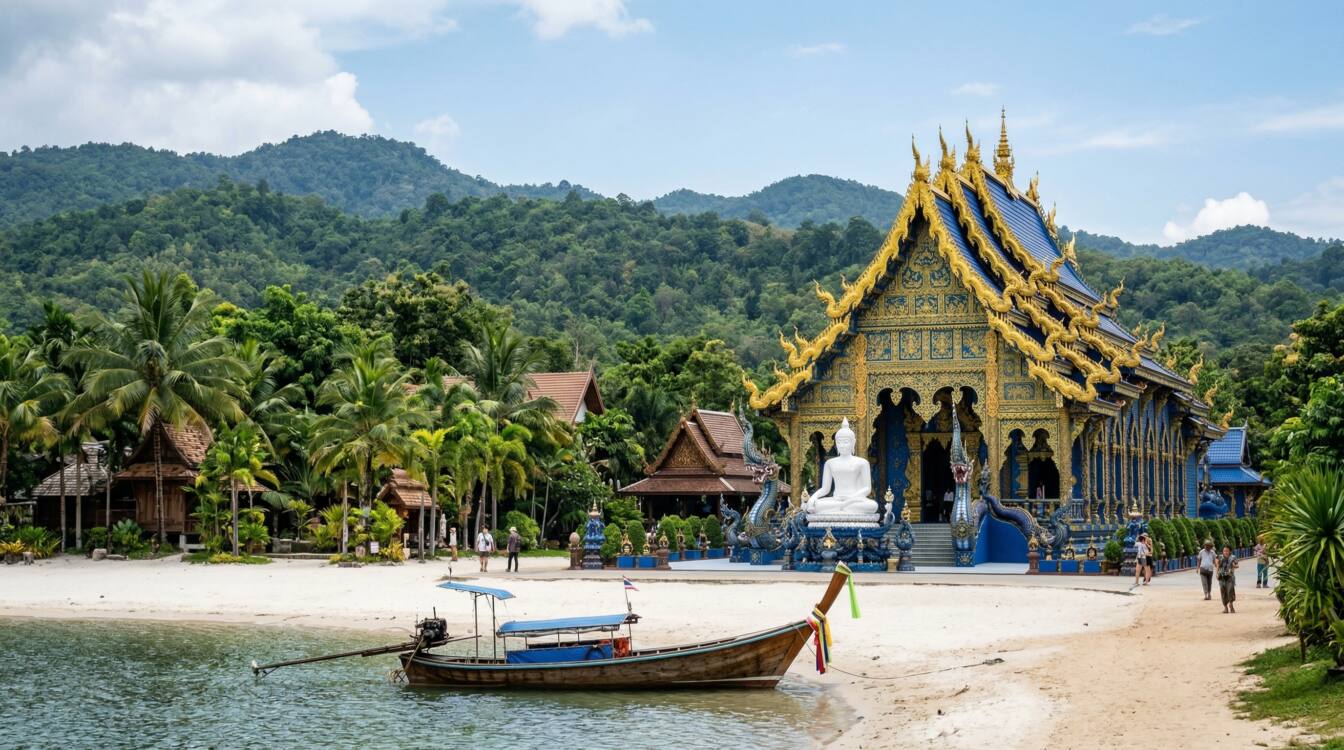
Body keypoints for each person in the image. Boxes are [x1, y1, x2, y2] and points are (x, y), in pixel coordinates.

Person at [1217, 545, 1238, 613]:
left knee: (1230, 591)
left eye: (1227, 551)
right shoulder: (1220, 557)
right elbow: (1217, 565)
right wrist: (1216, 574)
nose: (1225, 552)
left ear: (1230, 551)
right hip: (1221, 577)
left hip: (1230, 577)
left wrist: (1234, 566)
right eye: (1224, 551)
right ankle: (1225, 607)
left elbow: (1237, 565)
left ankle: (1231, 604)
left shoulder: (1233, 557)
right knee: (1223, 592)